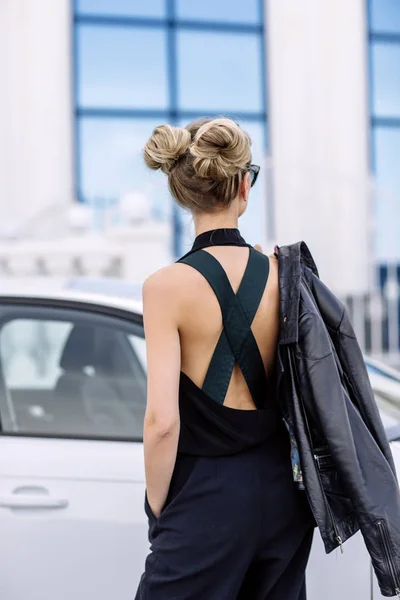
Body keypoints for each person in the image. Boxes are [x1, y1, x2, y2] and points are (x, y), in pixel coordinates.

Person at [135, 117, 314, 600]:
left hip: (204, 496)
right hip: (285, 494)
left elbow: (162, 423)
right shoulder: (284, 274)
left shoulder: (165, 287)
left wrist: (159, 509)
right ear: (243, 187)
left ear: (181, 193)